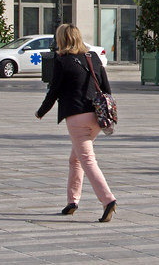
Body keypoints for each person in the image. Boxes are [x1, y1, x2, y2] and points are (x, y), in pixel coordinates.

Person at [36, 24, 118, 223]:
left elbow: (54, 91)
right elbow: (106, 87)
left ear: (62, 40)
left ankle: (108, 200)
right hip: (97, 117)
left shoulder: (62, 61)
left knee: (87, 160)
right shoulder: (93, 57)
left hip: (77, 117)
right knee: (76, 159)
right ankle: (72, 201)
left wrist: (41, 111)